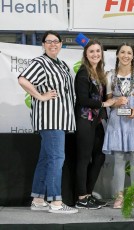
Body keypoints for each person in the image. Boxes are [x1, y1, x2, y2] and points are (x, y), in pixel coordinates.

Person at [18, 30, 78, 214]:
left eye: (56, 41)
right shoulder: (40, 62)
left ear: (61, 44)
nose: (53, 44)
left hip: (61, 119)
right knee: (56, 159)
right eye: (49, 41)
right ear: (43, 44)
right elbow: (22, 79)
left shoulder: (61, 64)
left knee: (45, 159)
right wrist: (40, 96)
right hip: (51, 119)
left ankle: (38, 199)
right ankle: (56, 202)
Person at [102, 43, 134, 209]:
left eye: (129, 53)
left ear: (133, 56)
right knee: (118, 158)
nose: (126, 55)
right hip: (118, 116)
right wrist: (116, 102)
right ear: (117, 55)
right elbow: (109, 99)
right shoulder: (110, 75)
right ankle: (119, 197)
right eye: (123, 52)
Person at [74, 40, 115, 209]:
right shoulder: (83, 72)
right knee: (83, 159)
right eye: (91, 51)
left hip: (96, 121)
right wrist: (106, 104)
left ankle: (88, 194)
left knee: (99, 157)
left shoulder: (99, 73)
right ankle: (81, 198)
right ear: (86, 54)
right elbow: (83, 99)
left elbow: (104, 96)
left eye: (98, 51)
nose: (95, 54)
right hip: (84, 120)